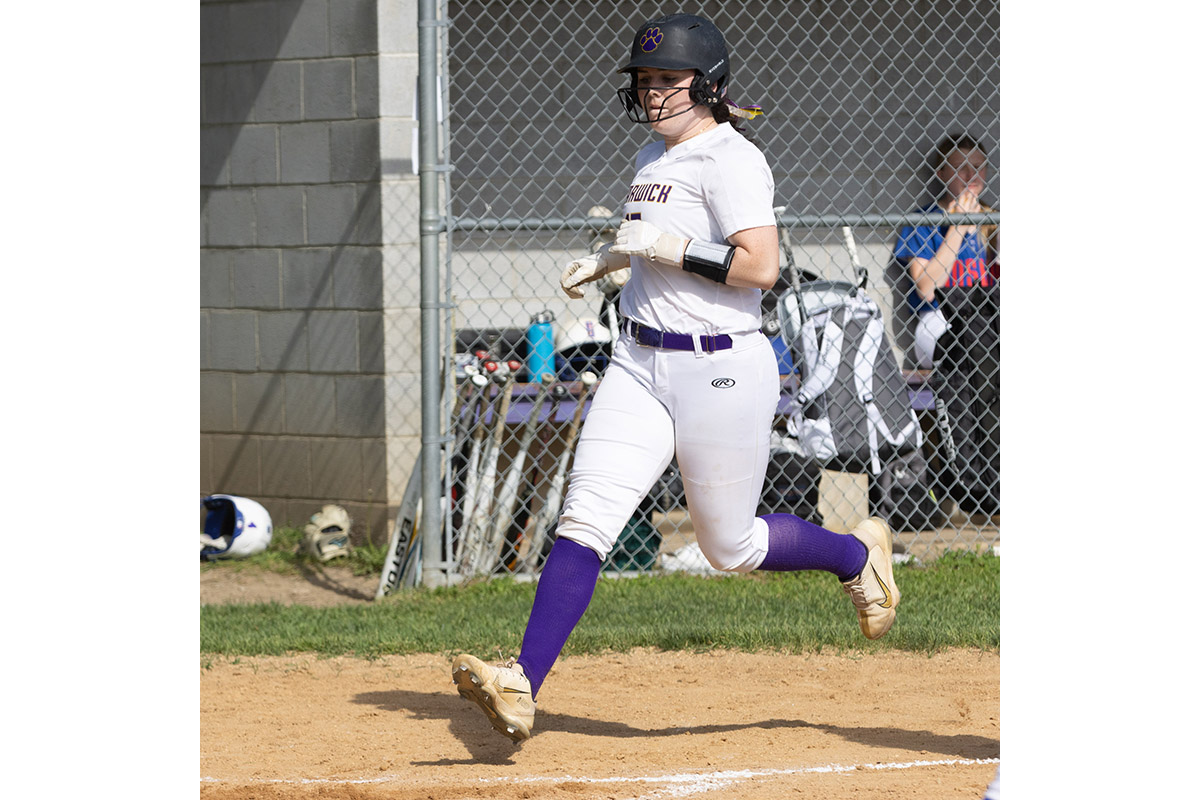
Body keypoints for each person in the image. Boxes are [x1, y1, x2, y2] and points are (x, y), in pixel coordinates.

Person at [451, 12, 900, 743]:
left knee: (730, 548)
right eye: (646, 80)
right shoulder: (651, 158)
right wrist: (614, 259)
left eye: (669, 79)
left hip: (720, 367)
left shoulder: (731, 158)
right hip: (637, 361)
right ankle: (522, 683)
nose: (655, 92)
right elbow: (662, 252)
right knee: (586, 516)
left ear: (710, 85)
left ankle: (857, 554)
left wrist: (668, 245)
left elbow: (761, 266)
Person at [893, 133, 1000, 517]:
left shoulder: (995, 218)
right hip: (937, 322)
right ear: (942, 173)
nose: (971, 174)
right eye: (960, 167)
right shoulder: (926, 221)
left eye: (978, 166)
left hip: (987, 322)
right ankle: (973, 475)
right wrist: (956, 229)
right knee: (970, 348)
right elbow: (927, 286)